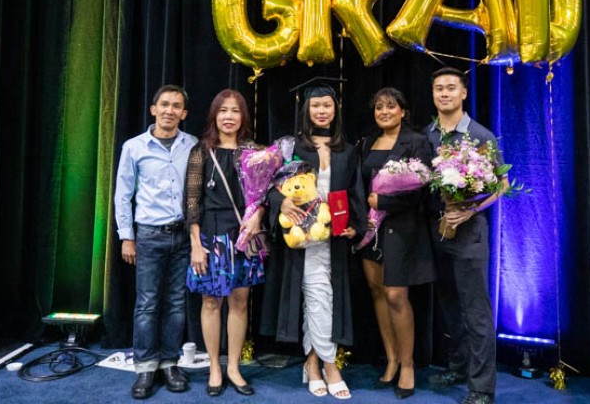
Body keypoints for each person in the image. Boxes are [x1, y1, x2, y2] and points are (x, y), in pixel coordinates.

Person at [260, 82, 367, 400]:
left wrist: (355, 226)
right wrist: (282, 203)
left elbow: (355, 192)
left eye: (327, 106)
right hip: (299, 235)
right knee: (317, 296)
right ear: (306, 110)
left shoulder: (346, 150)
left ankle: (312, 363)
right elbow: (267, 188)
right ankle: (330, 365)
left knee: (319, 298)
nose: (322, 111)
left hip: (331, 237)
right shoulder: (292, 148)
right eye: (316, 106)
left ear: (336, 110)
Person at [424, 67, 509, 404]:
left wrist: (471, 210)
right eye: (438, 88)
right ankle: (458, 366)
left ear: (463, 94)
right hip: (435, 232)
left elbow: (501, 184)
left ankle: (482, 387)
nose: (444, 93)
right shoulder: (427, 134)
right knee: (449, 305)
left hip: (469, 234)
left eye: (450, 88)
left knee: (476, 311)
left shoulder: (480, 135)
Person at [114, 84, 197, 399]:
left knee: (176, 303)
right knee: (147, 304)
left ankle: (170, 363)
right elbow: (123, 196)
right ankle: (145, 367)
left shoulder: (192, 145)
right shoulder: (135, 147)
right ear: (153, 109)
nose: (170, 110)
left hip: (183, 235)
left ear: (184, 114)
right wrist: (127, 238)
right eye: (164, 104)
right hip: (147, 235)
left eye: (177, 106)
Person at [185, 89, 265, 397]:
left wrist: (258, 216)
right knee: (210, 301)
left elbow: (265, 195)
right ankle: (215, 368)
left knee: (240, 301)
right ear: (214, 115)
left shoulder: (254, 151)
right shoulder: (201, 151)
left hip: (244, 236)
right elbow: (192, 201)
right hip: (211, 236)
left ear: (243, 115)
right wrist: (195, 243)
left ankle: (234, 366)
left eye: (235, 111)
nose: (229, 117)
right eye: (223, 111)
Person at [357, 88, 435, 399]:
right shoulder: (367, 142)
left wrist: (385, 199)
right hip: (369, 230)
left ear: (403, 111)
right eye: (379, 107)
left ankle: (407, 365)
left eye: (391, 106)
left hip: (401, 230)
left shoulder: (416, 141)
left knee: (395, 296)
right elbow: (358, 185)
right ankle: (390, 359)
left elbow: (423, 191)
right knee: (377, 293)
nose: (384, 112)